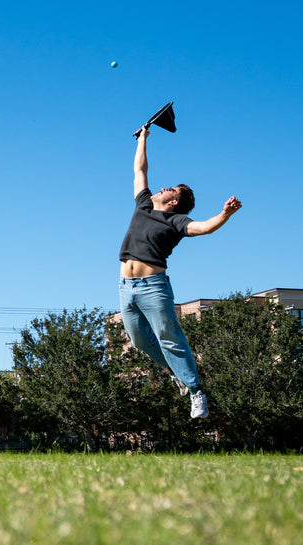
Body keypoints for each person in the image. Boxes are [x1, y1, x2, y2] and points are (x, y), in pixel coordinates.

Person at [118, 125, 242, 418]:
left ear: (173, 203)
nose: (163, 188)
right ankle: (177, 371)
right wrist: (143, 139)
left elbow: (204, 227)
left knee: (169, 337)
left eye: (170, 190)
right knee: (138, 340)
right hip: (125, 286)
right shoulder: (143, 205)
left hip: (153, 287)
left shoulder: (176, 222)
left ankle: (196, 392)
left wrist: (225, 214)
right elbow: (140, 170)